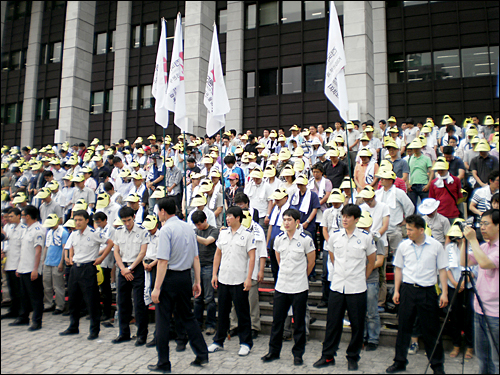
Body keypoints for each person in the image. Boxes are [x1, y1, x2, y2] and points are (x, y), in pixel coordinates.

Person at [148, 197, 209, 372]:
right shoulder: (188, 228)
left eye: (158, 211)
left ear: (162, 212)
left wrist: (157, 287)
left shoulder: (166, 230)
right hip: (184, 277)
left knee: (162, 321)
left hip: (168, 278)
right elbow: (196, 257)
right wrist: (197, 281)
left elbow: (162, 261)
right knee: (187, 317)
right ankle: (202, 353)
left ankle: (163, 362)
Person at [313, 204, 376, 371]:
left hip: (357, 287)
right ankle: (328, 355)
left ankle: (353, 356)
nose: (345, 219)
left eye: (348, 217)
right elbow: (333, 257)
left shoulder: (365, 238)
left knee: (357, 324)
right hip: (338, 286)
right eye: (343, 216)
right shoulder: (335, 236)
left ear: (356, 219)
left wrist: (363, 277)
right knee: (333, 323)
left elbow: (371, 261)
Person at [386, 214, 448, 374]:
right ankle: (399, 361)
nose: (408, 232)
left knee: (431, 329)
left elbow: (442, 270)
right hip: (408, 289)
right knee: (404, 328)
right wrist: (397, 290)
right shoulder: (403, 246)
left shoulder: (435, 246)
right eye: (407, 229)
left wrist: (444, 293)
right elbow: (398, 268)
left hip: (427, 290)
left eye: (411, 230)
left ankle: (437, 365)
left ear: (421, 230)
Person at [261, 208, 316, 365]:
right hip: (282, 285)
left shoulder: (306, 239)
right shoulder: (278, 238)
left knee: (298, 323)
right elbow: (279, 259)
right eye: (284, 219)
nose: (286, 222)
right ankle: (273, 351)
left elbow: (311, 262)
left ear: (297, 222)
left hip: (299, 286)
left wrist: (300, 275)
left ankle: (298, 354)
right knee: (277, 321)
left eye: (289, 220)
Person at [208, 206, 256, 356]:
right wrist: (214, 274)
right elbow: (218, 254)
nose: (227, 219)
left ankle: (245, 342)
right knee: (222, 311)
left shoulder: (247, 235)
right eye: (226, 216)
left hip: (239, 279)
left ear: (238, 218)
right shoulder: (223, 234)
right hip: (224, 278)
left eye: (230, 216)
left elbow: (252, 257)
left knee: (242, 313)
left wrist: (249, 278)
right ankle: (218, 341)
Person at [59, 210, 113, 339]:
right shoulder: (74, 234)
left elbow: (110, 243)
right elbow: (70, 245)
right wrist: (70, 256)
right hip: (75, 268)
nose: (77, 222)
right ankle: (73, 326)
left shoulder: (94, 234)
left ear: (87, 220)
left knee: (91, 300)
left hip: (88, 268)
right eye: (75, 220)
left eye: (80, 220)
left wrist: (101, 258)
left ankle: (94, 330)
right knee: (73, 299)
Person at [462, 210, 499, 374]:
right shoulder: (484, 246)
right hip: (480, 308)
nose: (482, 228)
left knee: (496, 359)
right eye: (481, 224)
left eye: (486, 224)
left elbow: (484, 263)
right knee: (483, 357)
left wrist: (473, 240)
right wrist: (465, 241)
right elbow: (464, 261)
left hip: (496, 312)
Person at [374, 170, 414, 310]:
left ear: (390, 180)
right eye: (381, 178)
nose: (381, 180)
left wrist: (404, 222)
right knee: (382, 264)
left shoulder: (399, 193)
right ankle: (381, 299)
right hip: (382, 231)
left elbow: (410, 207)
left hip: (395, 228)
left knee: (400, 260)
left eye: (384, 178)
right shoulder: (378, 193)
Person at [112, 206, 150, 346]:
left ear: (134, 217)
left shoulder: (142, 231)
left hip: (136, 267)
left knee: (139, 303)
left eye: (128, 220)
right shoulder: (118, 232)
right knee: (122, 301)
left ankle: (141, 334)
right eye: (124, 221)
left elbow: (142, 252)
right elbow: (116, 251)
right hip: (123, 268)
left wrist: (130, 268)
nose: (127, 223)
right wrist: (123, 269)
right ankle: (123, 333)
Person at [229, 209, 267, 339]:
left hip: (253, 271)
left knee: (252, 301)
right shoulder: (233, 230)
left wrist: (261, 270)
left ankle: (254, 326)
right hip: (236, 271)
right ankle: (234, 325)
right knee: (235, 301)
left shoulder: (258, 231)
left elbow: (262, 253)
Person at [9, 206, 45, 331]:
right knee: (23, 295)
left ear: (28, 216)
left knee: (35, 296)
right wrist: (19, 267)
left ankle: (37, 321)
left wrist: (35, 269)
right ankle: (23, 317)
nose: (22, 217)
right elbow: (23, 250)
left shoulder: (38, 230)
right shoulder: (26, 229)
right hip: (24, 267)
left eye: (23, 215)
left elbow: (38, 251)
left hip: (32, 269)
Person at [356, 211, 385, 351]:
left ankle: (373, 338)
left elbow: (379, 261)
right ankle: (360, 337)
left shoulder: (376, 239)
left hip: (371, 279)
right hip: (356, 279)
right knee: (358, 311)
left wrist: (365, 267)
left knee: (371, 311)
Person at [445, 221, 474, 360]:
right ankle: (456, 344)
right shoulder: (449, 248)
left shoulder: (473, 247)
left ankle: (469, 346)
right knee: (454, 317)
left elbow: (475, 270)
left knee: (469, 317)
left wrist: (463, 283)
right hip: (453, 286)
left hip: (468, 287)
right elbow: (447, 268)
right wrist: (455, 283)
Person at [191, 210, 219, 336]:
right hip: (197, 266)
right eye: (196, 225)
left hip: (209, 266)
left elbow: (208, 241)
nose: (198, 227)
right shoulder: (195, 231)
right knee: (197, 298)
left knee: (209, 298)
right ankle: (197, 323)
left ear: (205, 220)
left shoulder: (214, 230)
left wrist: (193, 236)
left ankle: (210, 324)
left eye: (199, 224)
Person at [1, 208, 25, 320]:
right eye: (7, 217)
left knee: (19, 290)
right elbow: (6, 239)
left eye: (11, 216)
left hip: (17, 264)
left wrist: (20, 266)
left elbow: (23, 249)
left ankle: (21, 312)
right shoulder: (8, 227)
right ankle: (13, 310)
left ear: (18, 216)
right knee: (12, 289)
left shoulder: (23, 229)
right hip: (9, 262)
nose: (8, 219)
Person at [41, 214, 68, 314]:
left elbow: (64, 248)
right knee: (47, 284)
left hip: (57, 262)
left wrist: (62, 262)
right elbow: (46, 247)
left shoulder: (63, 232)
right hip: (48, 261)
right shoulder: (49, 232)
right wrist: (43, 261)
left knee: (58, 286)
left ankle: (59, 305)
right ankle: (48, 303)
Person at [141, 214, 161, 347]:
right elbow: (142, 251)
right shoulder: (145, 235)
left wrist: (151, 265)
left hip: (156, 265)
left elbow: (162, 255)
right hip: (145, 263)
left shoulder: (161, 236)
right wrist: (143, 263)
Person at [93, 211, 116, 322]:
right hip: (97, 260)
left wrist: (99, 254)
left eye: (99, 222)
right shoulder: (98, 230)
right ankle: (98, 311)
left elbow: (110, 244)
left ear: (105, 220)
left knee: (105, 288)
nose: (98, 224)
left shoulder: (111, 230)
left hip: (106, 260)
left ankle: (107, 312)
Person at [407, 139, 433, 209]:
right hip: (412, 185)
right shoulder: (410, 159)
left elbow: (431, 172)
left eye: (417, 148)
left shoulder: (426, 158)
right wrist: (408, 184)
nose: (415, 150)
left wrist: (428, 184)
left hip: (423, 184)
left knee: (426, 207)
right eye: (414, 148)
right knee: (412, 207)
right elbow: (407, 171)